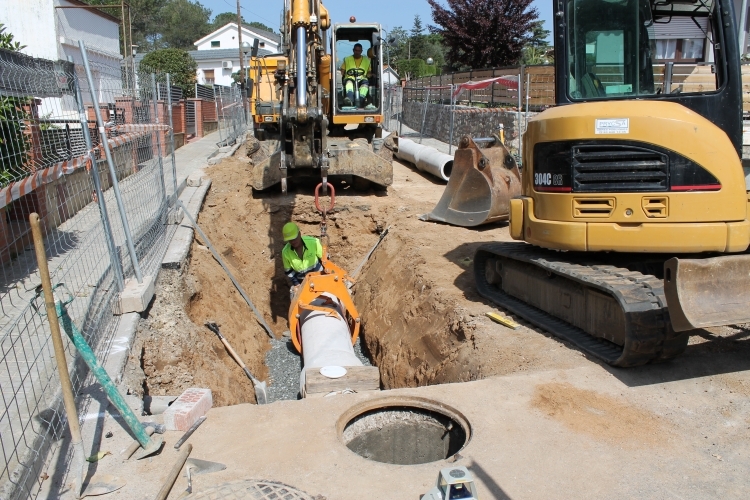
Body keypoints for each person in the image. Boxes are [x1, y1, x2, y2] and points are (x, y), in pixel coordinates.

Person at [281, 222, 323, 298]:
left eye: (294, 238)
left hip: (319, 277)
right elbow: (289, 271)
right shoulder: (285, 252)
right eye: (290, 240)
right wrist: (297, 284)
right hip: (302, 282)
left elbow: (324, 261)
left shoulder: (314, 242)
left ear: (299, 234)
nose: (293, 242)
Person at [340, 43, 372, 107]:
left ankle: (360, 100)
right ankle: (350, 101)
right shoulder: (347, 59)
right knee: (349, 83)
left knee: (365, 85)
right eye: (356, 50)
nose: (357, 52)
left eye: (359, 51)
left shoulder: (367, 61)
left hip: (362, 79)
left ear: (361, 51)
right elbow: (342, 71)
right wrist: (340, 77)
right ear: (353, 50)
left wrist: (371, 75)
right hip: (350, 77)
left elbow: (368, 72)